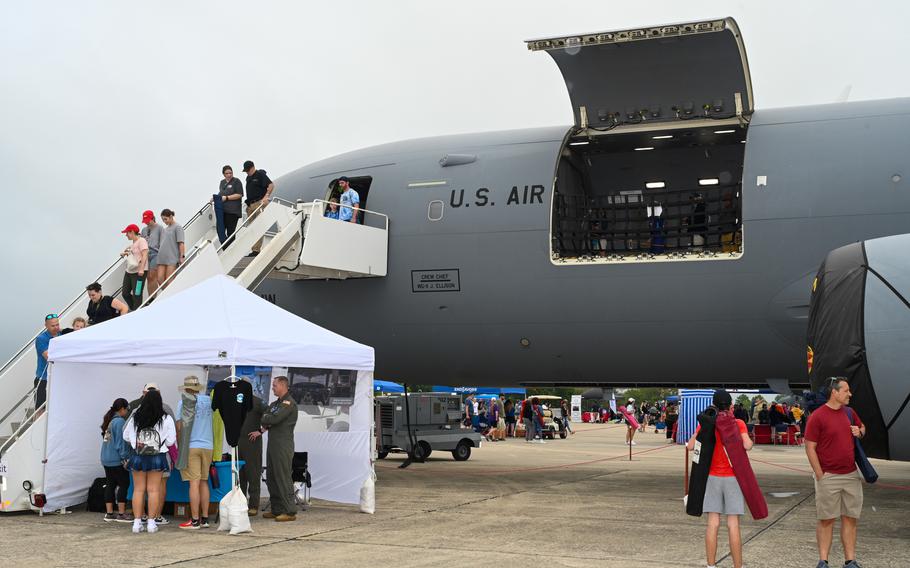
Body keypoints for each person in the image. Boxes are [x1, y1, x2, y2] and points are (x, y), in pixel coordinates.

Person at [686, 389, 753, 568]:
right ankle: (737, 565)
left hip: (712, 477)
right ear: (730, 405)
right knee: (733, 524)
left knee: (713, 523)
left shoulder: (707, 423)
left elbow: (691, 446)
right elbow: (748, 445)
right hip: (733, 478)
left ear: (714, 405)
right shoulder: (738, 423)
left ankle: (710, 565)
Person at [804, 377, 866, 568]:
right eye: (846, 390)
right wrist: (820, 474)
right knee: (826, 520)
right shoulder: (818, 416)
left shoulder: (849, 412)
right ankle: (823, 561)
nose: (850, 394)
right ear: (835, 392)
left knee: (850, 518)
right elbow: (810, 447)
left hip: (850, 475)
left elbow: (863, 428)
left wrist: (860, 431)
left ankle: (850, 561)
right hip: (828, 477)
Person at [123, 389, 176, 534]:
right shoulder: (166, 418)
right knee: (154, 490)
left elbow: (125, 435)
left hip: (138, 455)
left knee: (138, 490)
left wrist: (136, 443)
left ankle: (137, 523)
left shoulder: (135, 417)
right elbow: (171, 441)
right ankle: (152, 523)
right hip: (157, 456)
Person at [249, 376, 298, 522]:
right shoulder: (276, 403)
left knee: (283, 476)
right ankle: (277, 509)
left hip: (283, 445)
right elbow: (267, 417)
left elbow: (273, 419)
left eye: (275, 385)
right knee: (271, 477)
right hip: (273, 444)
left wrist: (267, 417)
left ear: (283, 386)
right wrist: (266, 421)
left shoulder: (288, 403)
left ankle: (289, 511)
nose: (273, 388)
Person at [176, 376, 214, 530]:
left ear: (185, 388)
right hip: (208, 445)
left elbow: (179, 427)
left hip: (191, 446)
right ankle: (204, 519)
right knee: (204, 482)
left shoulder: (182, 402)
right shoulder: (208, 401)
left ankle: (194, 520)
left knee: (194, 483)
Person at [100, 398, 133, 522]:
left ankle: (109, 513)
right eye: (127, 409)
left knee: (110, 484)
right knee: (124, 484)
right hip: (116, 459)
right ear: (122, 409)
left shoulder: (110, 420)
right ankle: (121, 513)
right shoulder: (119, 422)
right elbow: (120, 443)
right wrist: (126, 457)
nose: (127, 412)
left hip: (105, 458)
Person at [239, 393, 268, 515]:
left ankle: (253, 505)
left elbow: (271, 416)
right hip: (239, 443)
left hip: (253, 444)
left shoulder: (257, 402)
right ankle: (240, 503)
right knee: (240, 476)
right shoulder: (237, 401)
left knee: (253, 473)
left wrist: (261, 431)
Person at [242, 160, 275, 255]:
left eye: (248, 170)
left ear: (253, 167)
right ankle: (254, 250)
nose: (247, 172)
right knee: (252, 228)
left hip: (259, 203)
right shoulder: (248, 177)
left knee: (259, 226)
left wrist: (266, 196)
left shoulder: (260, 174)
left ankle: (256, 250)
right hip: (250, 205)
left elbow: (271, 185)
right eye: (246, 171)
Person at [34, 314, 60, 410]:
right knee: (40, 409)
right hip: (43, 379)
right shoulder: (41, 339)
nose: (56, 327)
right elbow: (49, 357)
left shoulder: (62, 335)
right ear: (46, 325)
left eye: (57, 324)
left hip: (58, 379)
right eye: (53, 326)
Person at [119, 224, 148, 311]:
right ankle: (137, 309)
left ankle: (137, 311)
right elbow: (135, 255)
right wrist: (125, 253)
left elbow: (145, 255)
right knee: (125, 293)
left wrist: (142, 269)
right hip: (129, 271)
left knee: (137, 294)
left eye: (127, 233)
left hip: (139, 273)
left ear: (132, 232)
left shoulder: (142, 241)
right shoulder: (133, 243)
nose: (126, 235)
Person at [216, 165, 244, 247]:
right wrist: (215, 198)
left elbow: (240, 194)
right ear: (223, 174)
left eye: (230, 173)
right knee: (220, 230)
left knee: (230, 232)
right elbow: (221, 193)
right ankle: (226, 248)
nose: (229, 175)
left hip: (232, 211)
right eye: (227, 173)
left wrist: (227, 198)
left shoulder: (236, 181)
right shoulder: (222, 182)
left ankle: (231, 249)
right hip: (223, 211)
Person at [156, 209, 185, 288]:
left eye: (165, 219)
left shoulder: (178, 227)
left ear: (171, 216)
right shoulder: (165, 229)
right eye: (163, 220)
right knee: (160, 279)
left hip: (172, 258)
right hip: (162, 257)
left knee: (170, 281)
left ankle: (170, 297)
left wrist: (182, 257)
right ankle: (167, 295)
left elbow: (181, 243)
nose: (164, 221)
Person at [140, 210, 163, 295]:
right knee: (148, 278)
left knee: (152, 275)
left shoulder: (160, 228)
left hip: (156, 254)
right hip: (146, 254)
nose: (146, 223)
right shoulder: (144, 230)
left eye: (147, 220)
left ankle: (154, 297)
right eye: (145, 221)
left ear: (152, 218)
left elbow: (163, 243)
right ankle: (151, 299)